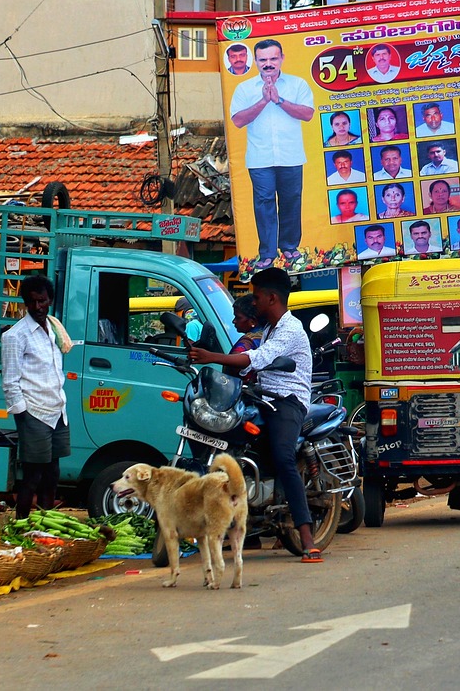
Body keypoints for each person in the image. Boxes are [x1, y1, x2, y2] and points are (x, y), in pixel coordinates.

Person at [188, 268, 322, 562]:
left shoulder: (290, 329)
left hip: (288, 401)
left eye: (257, 297)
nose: (254, 302)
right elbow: (248, 364)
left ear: (272, 298)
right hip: (262, 397)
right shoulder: (268, 328)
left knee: (283, 457)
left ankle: (307, 536)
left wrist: (211, 357)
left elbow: (258, 358)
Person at [230, 39, 315, 269]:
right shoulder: (244, 88)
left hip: (291, 155)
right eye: (263, 59)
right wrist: (264, 100)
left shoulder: (297, 84)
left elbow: (307, 114)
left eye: (273, 58)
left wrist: (279, 100)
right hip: (260, 158)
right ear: (256, 61)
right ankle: (267, 253)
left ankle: (289, 247)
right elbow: (238, 120)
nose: (268, 63)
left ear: (282, 58)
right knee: (264, 204)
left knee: (291, 202)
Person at [2, 275, 72, 518]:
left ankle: (44, 525)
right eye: (32, 302)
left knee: (52, 473)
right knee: (33, 476)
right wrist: (23, 415)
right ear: (25, 303)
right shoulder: (15, 335)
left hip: (57, 410)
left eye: (42, 301)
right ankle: (21, 525)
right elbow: (10, 381)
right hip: (34, 413)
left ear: (49, 300)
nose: (37, 307)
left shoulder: (53, 328)